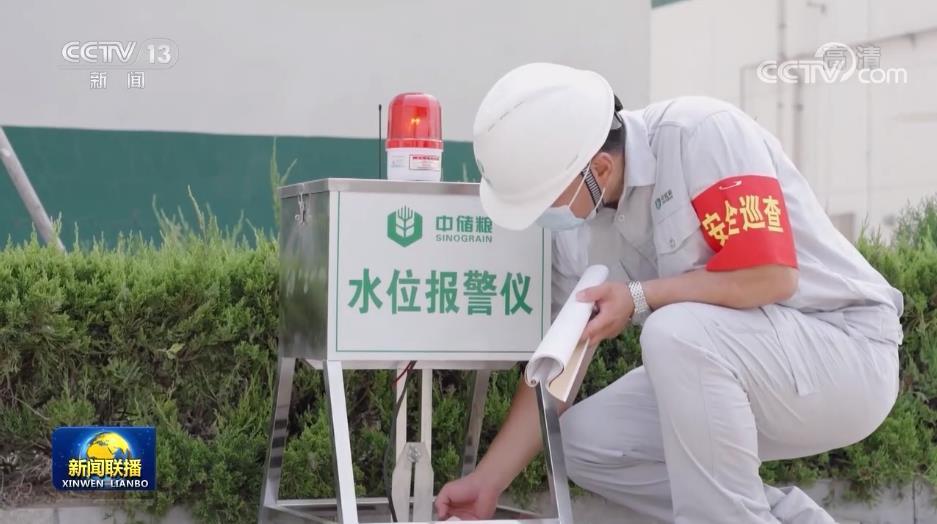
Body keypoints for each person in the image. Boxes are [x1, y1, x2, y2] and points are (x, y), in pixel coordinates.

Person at [434, 63, 903, 524]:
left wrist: (639, 296)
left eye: (543, 201)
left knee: (674, 331)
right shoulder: (576, 230)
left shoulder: (702, 135)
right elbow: (557, 364)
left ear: (599, 168)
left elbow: (771, 277)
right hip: (735, 368)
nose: (541, 216)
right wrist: (487, 481)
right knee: (584, 442)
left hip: (844, 354)